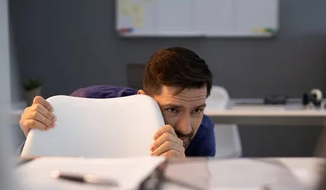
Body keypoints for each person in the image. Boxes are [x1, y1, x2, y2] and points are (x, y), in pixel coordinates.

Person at [18, 47, 215, 157]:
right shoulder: (85, 104)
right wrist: (35, 135)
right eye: (172, 109)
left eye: (197, 110)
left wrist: (180, 172)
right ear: (143, 99)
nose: (187, 128)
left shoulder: (203, 130)